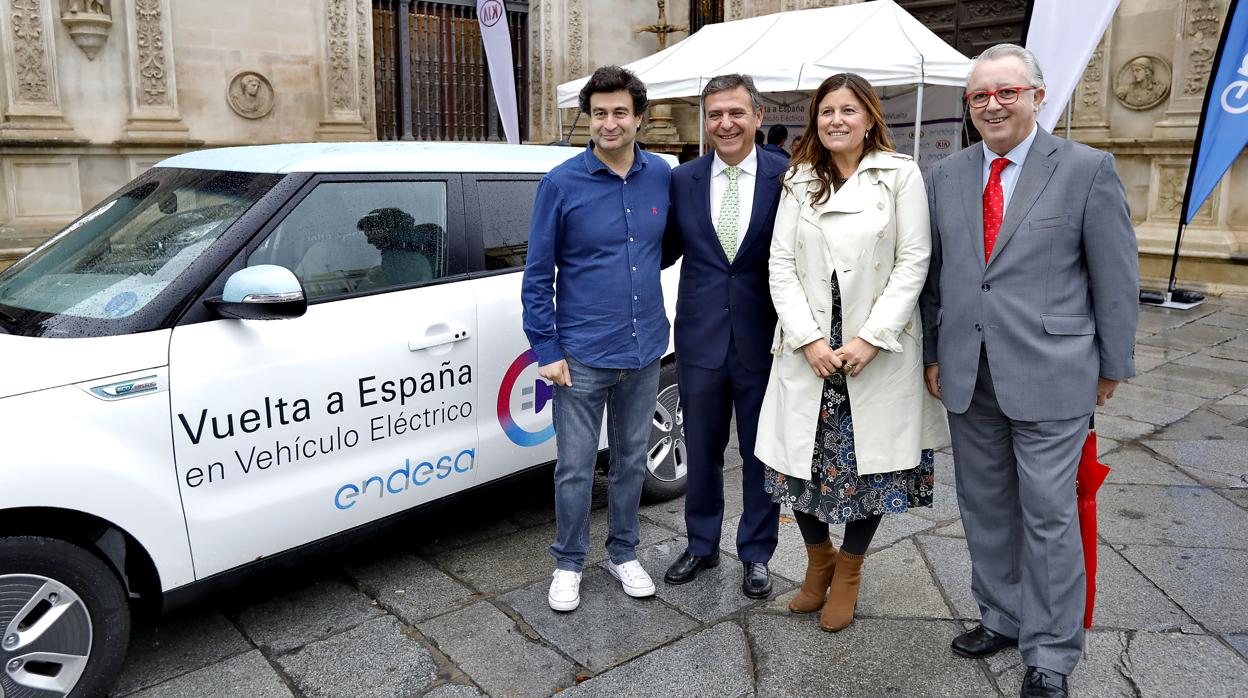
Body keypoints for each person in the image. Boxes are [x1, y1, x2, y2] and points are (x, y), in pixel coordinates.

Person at [919, 44, 1138, 698]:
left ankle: (1050, 653)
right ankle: (1003, 616)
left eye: (1006, 92)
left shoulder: (1086, 169)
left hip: (1054, 373)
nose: (992, 104)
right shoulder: (947, 175)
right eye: (981, 95)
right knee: (985, 509)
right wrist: (933, 351)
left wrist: (1112, 364)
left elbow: (1116, 278)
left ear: (1038, 97)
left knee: (1047, 517)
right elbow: (937, 278)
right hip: (967, 373)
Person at [755, 73, 949, 632]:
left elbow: (915, 261)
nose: (835, 120)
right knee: (796, 465)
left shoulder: (899, 174)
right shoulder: (799, 179)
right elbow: (781, 265)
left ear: (869, 118)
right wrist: (808, 339)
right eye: (825, 111)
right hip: (808, 345)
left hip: (875, 346)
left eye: (848, 110)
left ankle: (850, 572)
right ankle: (819, 563)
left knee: (871, 468)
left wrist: (871, 338)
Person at [521, 65, 672, 613]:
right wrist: (547, 350)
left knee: (632, 460)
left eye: (620, 113)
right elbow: (538, 275)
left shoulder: (662, 176)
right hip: (580, 354)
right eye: (600, 113)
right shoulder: (561, 183)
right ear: (590, 117)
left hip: (645, 346)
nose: (609, 123)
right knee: (576, 467)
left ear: (639, 118)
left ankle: (624, 551)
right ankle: (567, 561)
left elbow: (667, 246)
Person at [661, 74, 788, 598]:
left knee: (763, 452)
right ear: (705, 122)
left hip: (766, 339)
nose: (726, 123)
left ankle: (756, 554)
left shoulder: (791, 177)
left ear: (758, 117)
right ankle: (701, 544)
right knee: (703, 446)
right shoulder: (682, 180)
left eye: (736, 112)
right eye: (715, 115)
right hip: (700, 338)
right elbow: (662, 249)